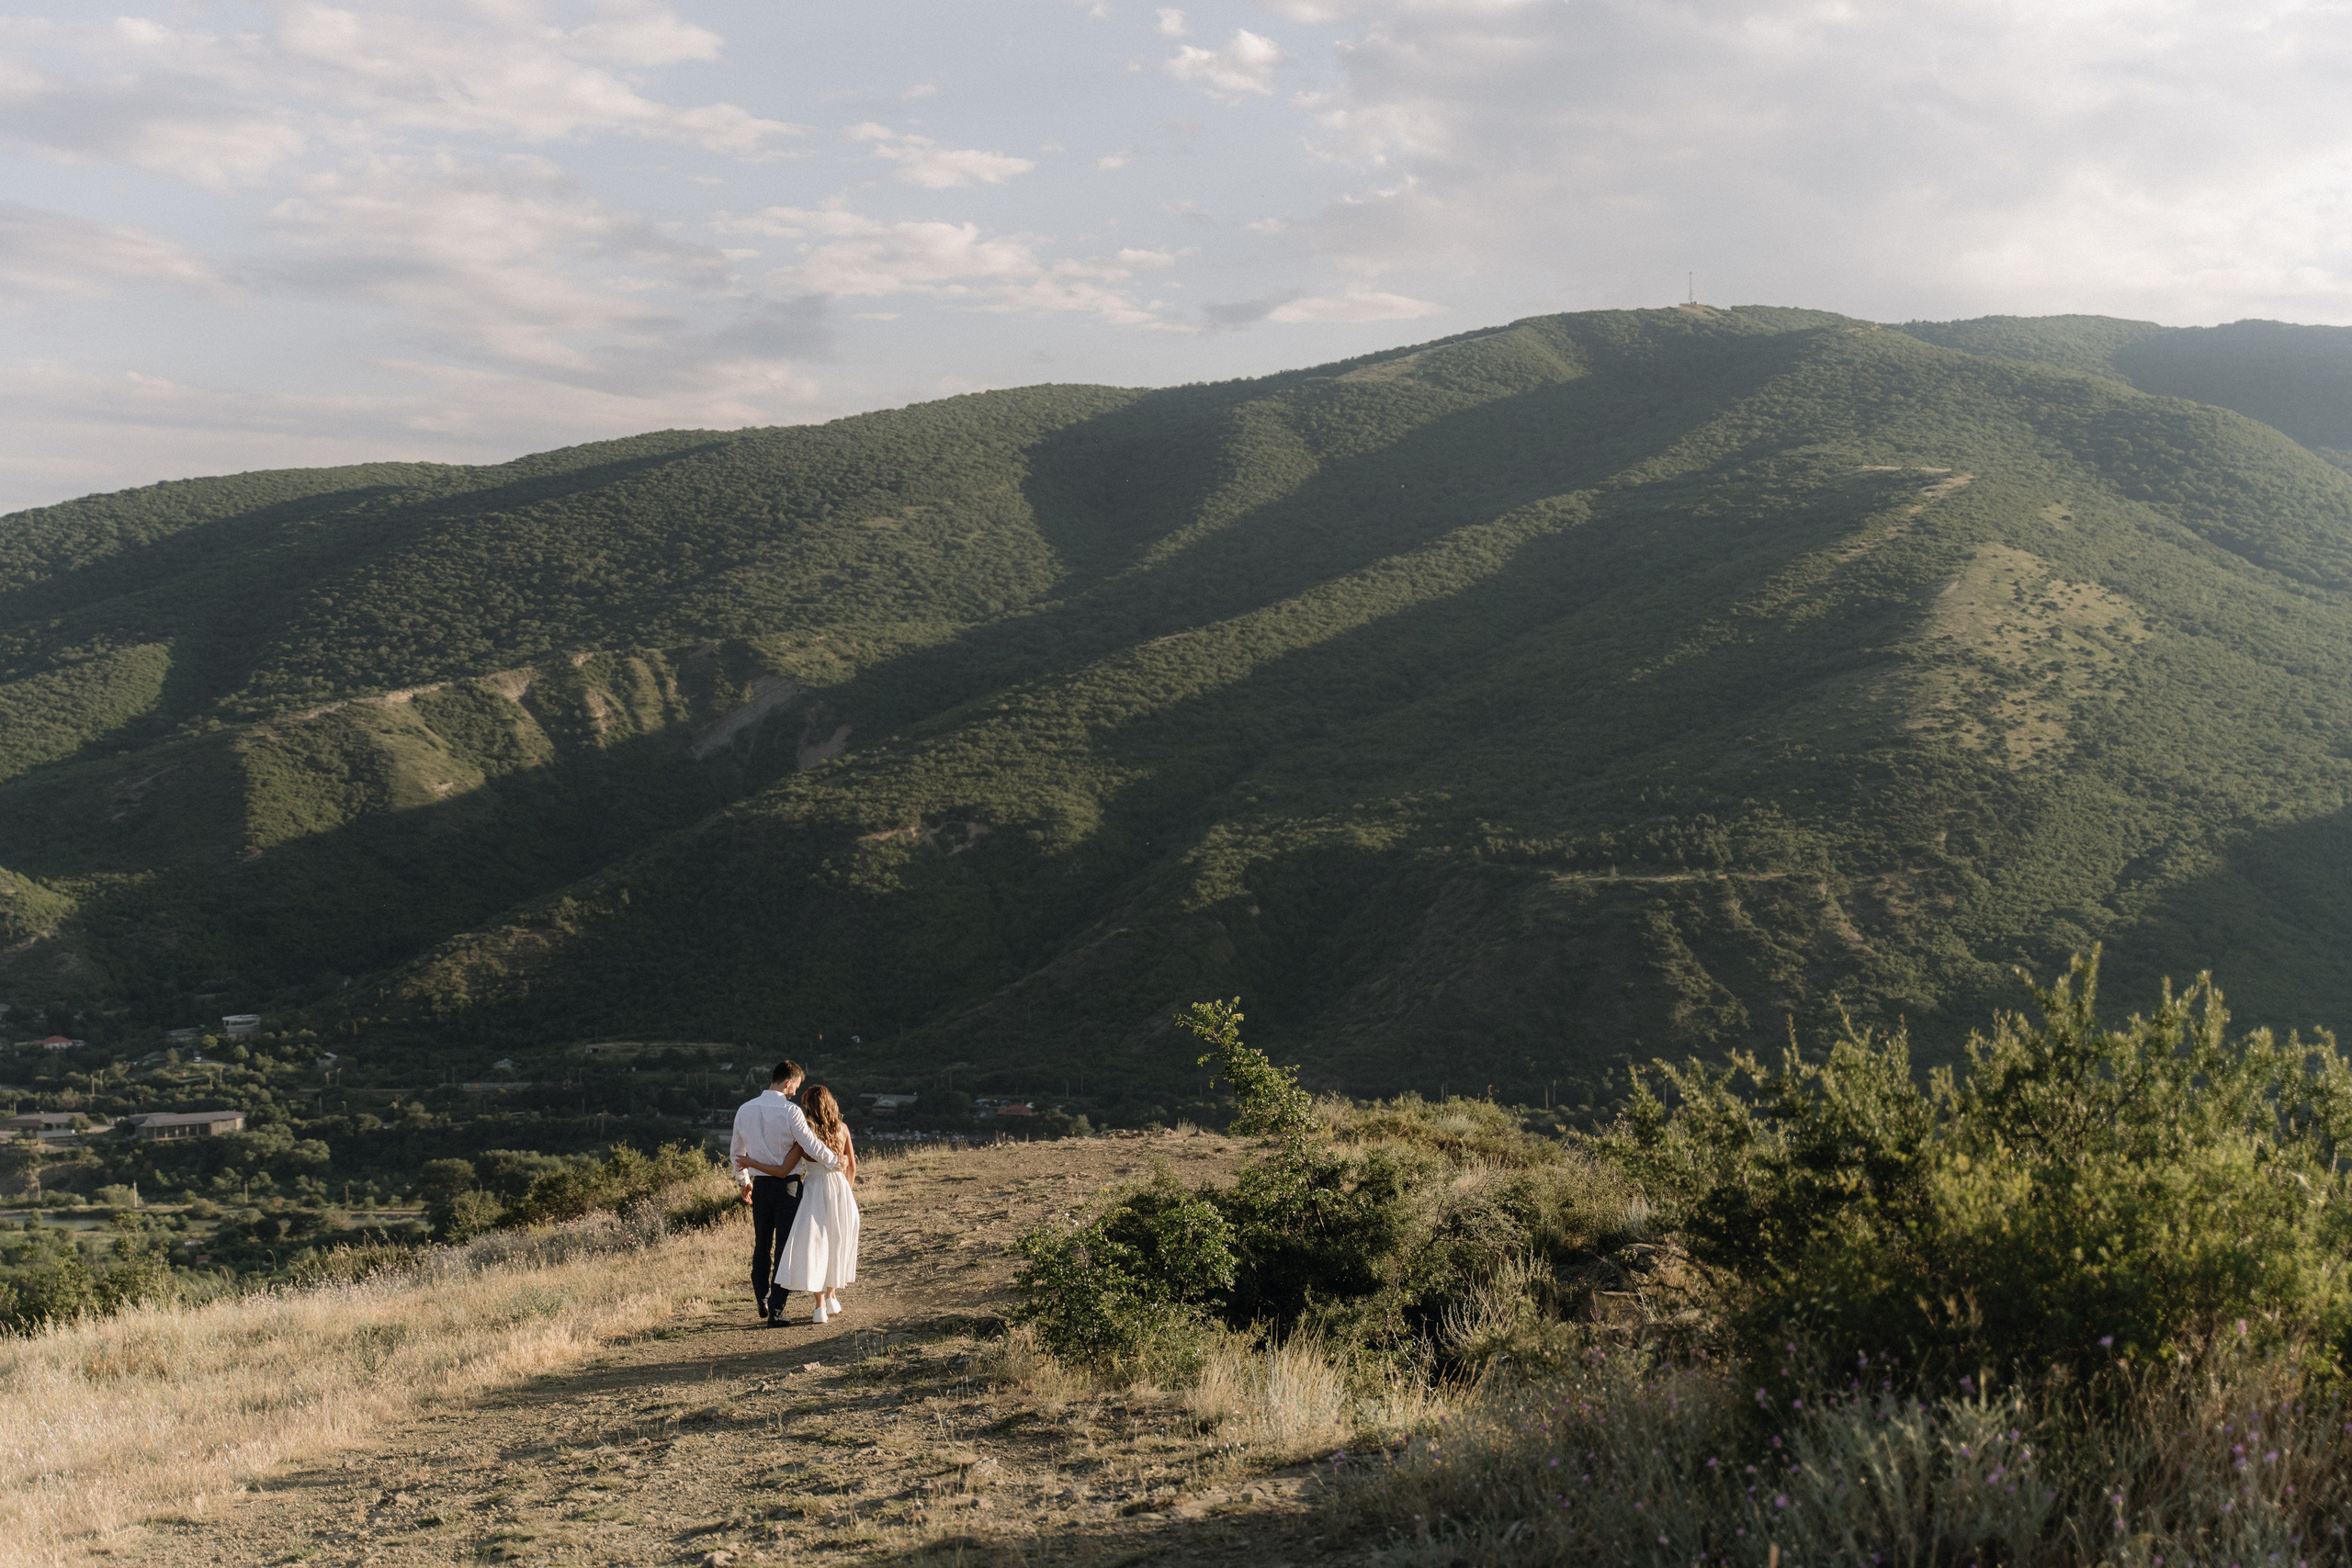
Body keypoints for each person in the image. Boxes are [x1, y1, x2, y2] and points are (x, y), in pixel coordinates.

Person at [729, 1060, 842, 1326]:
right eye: (796, 1087)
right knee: (784, 1247)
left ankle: (761, 1296)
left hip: (760, 1185)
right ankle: (777, 1310)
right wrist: (834, 1161)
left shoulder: (744, 1110)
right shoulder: (790, 1111)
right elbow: (810, 1144)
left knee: (761, 1243)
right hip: (788, 1186)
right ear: (788, 1082)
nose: (794, 1093)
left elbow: (737, 1152)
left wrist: (744, 1181)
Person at [743, 1084, 860, 1325]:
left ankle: (819, 1308)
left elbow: (785, 1168)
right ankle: (832, 1297)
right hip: (840, 1189)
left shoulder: (806, 1131)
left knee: (814, 1245)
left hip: (815, 1189)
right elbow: (852, 1167)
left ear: (808, 1106)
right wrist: (846, 1192)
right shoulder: (844, 1129)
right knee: (836, 1242)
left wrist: (751, 1164)